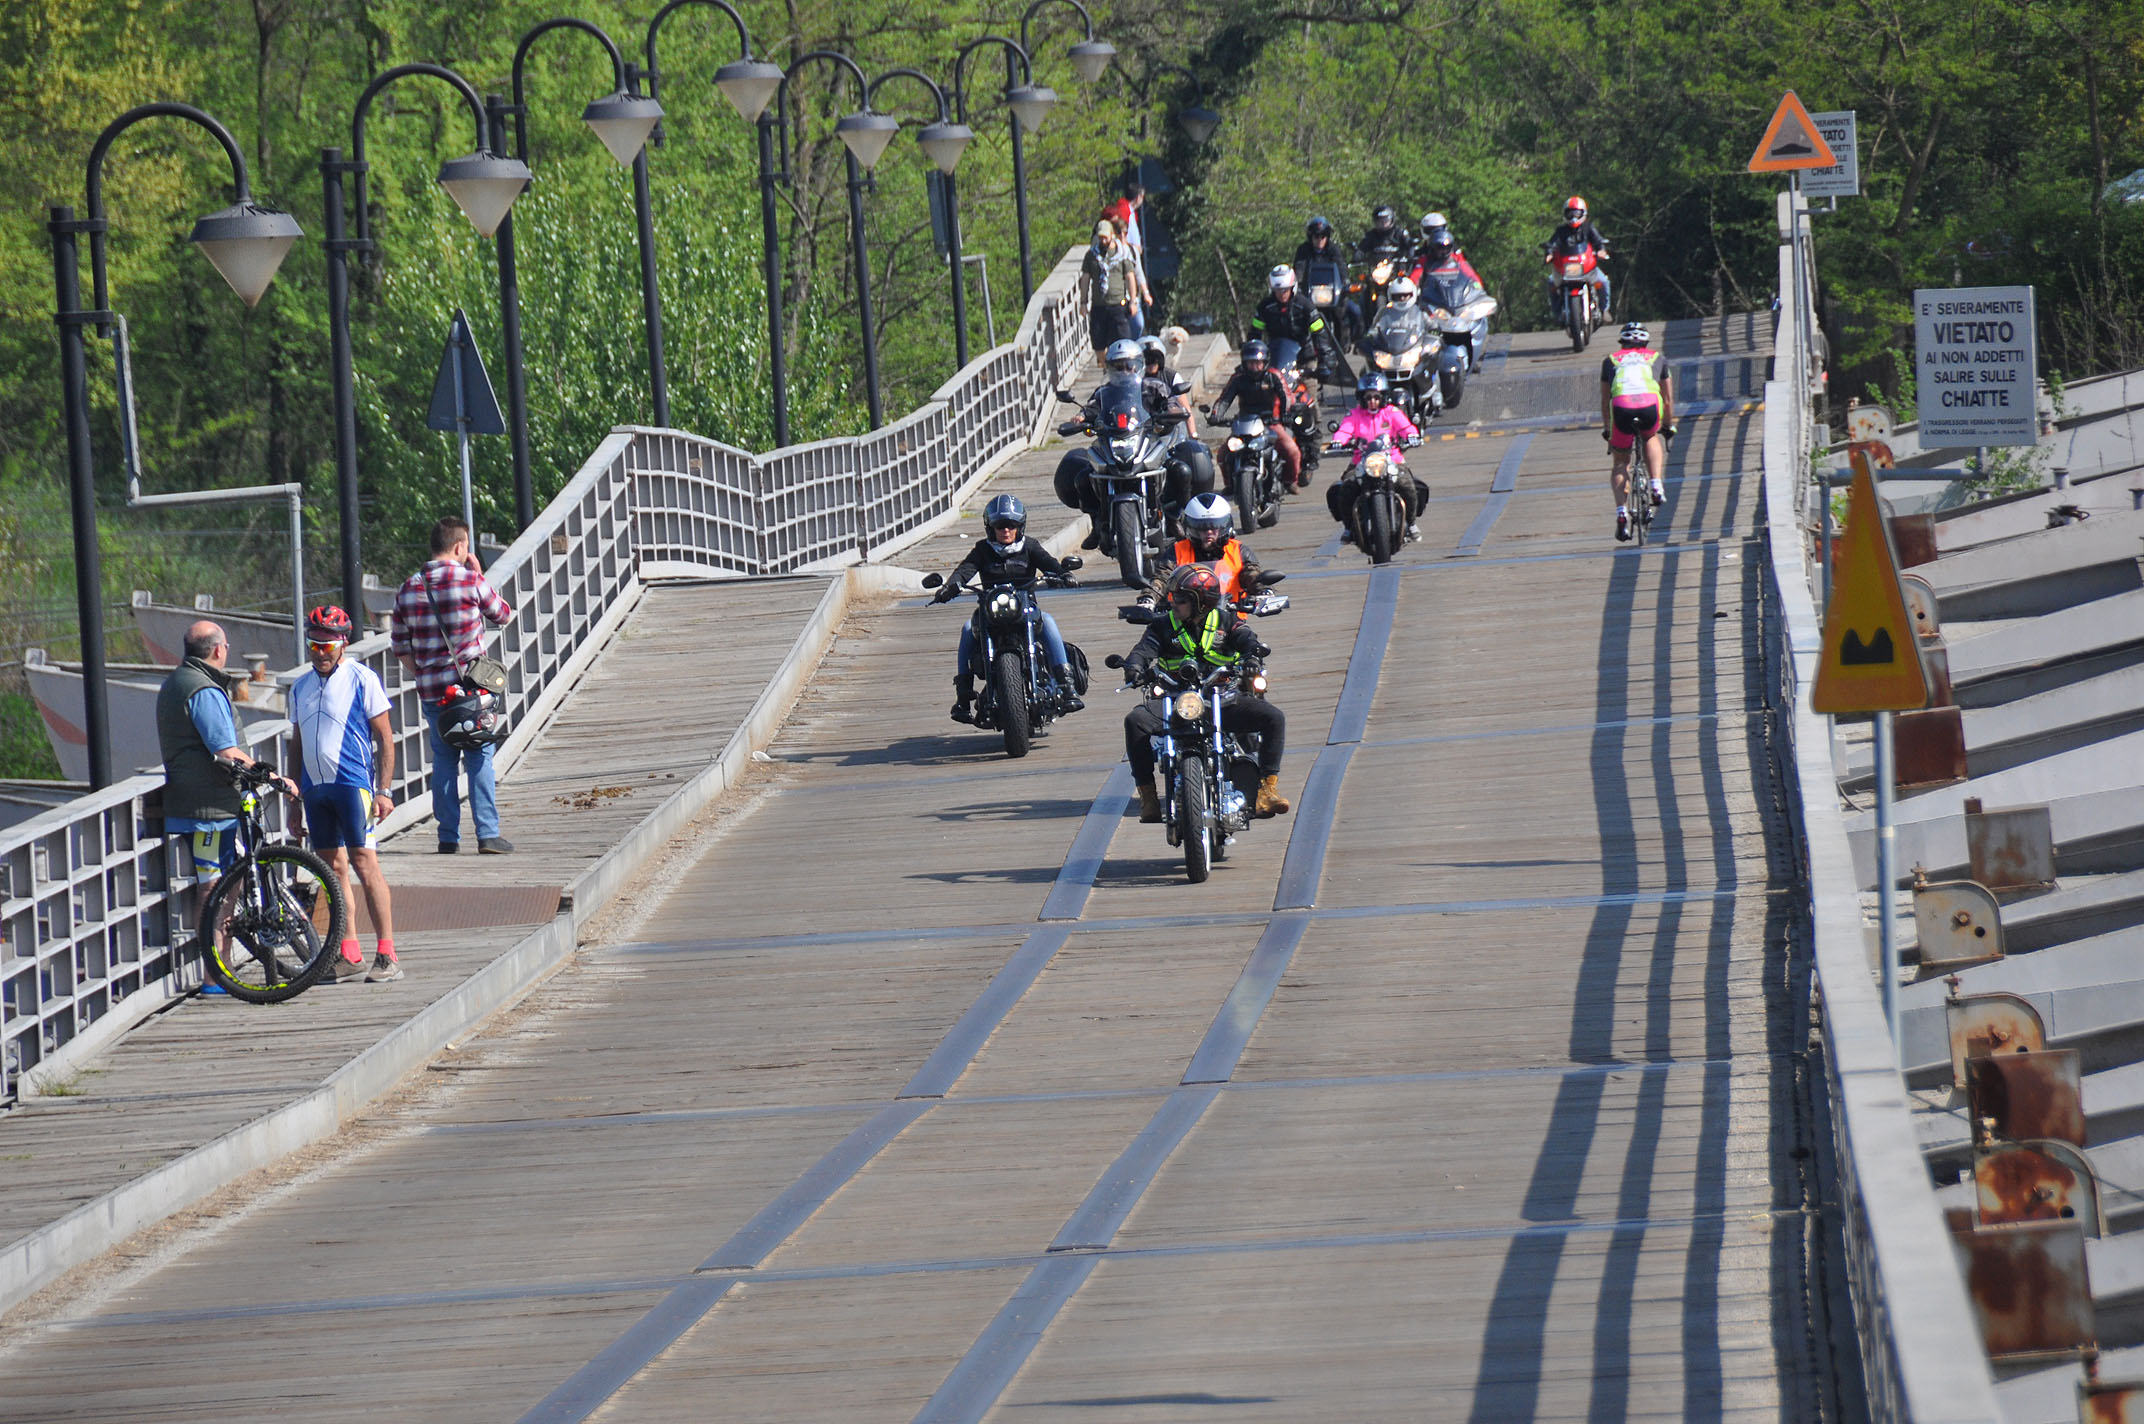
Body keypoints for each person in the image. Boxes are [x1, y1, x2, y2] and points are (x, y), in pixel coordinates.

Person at [155, 620, 297, 952]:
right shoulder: (203, 690)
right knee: (213, 889)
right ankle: (216, 971)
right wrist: (274, 779)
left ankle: (222, 965)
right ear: (219, 650)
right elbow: (226, 751)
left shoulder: (176, 682)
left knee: (222, 884)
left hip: (202, 803)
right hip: (208, 811)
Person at [1120, 564, 1289, 822]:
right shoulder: (1161, 626)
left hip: (1222, 699)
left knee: (1274, 717)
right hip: (1174, 702)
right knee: (1135, 721)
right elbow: (1143, 650)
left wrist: (1253, 657)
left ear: (1200, 603)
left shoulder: (1227, 621)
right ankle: (1149, 797)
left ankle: (1267, 791)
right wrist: (1134, 667)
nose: (1173, 604)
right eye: (1173, 598)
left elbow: (1247, 638)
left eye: (1180, 600)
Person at [287, 606, 401, 983]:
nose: (320, 653)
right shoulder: (300, 687)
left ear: (343, 645)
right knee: (332, 871)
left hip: (353, 785)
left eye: (327, 646)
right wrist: (293, 800)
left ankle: (387, 953)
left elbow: (385, 737)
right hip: (315, 789)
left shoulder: (362, 678)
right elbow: (296, 744)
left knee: (364, 864)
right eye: (314, 645)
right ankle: (348, 952)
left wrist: (384, 790)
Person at [392, 515, 514, 854]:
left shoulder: (408, 588)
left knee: (444, 760)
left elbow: (400, 646)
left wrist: (423, 674)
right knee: (479, 756)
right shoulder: (470, 581)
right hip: (473, 690)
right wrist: (480, 574)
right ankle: (487, 834)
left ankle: (448, 837)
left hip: (434, 692)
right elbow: (503, 614)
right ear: (460, 547)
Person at [932, 494, 1083, 721]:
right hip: (990, 610)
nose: (1005, 530)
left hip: (1026, 608)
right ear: (990, 528)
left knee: (1049, 622)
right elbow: (965, 570)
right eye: (1000, 525)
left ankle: (1067, 685)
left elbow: (1048, 562)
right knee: (967, 629)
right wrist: (949, 587)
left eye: (1011, 525)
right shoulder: (982, 549)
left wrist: (1063, 574)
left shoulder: (1030, 546)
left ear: (1020, 526)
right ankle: (963, 697)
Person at [1326, 373, 1428, 541]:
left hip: (1392, 459)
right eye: (1368, 397)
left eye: (1376, 397)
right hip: (1360, 461)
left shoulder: (1392, 412)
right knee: (1346, 489)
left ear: (1383, 397)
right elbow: (1344, 430)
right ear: (1361, 398)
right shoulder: (1354, 414)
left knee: (1407, 486)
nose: (1372, 401)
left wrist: (1412, 436)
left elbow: (1406, 428)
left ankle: (1411, 523)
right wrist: (1338, 441)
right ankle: (1349, 527)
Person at [1602, 322, 1675, 542]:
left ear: (1622, 343)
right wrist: (1667, 425)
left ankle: (1621, 512)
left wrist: (1608, 430)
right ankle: (1656, 485)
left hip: (1621, 407)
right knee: (1650, 436)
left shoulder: (1610, 360)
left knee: (1620, 461)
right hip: (1649, 404)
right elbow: (1668, 399)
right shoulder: (1658, 358)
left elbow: (1605, 400)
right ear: (1646, 343)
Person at [1138, 492, 1264, 614]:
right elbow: (1161, 578)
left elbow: (1252, 574)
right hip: (1182, 619)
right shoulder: (1176, 552)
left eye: (1214, 526)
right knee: (1154, 629)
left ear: (1224, 526)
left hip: (1230, 619)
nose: (1209, 532)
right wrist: (1149, 597)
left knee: (1246, 631)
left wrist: (1263, 590)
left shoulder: (1239, 551)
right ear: (1191, 527)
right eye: (1203, 527)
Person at [1207, 339, 1304, 492]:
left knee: (1292, 451)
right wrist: (1216, 415)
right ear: (1244, 363)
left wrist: (1286, 413)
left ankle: (1290, 481)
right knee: (1222, 455)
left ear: (1265, 362)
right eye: (1250, 363)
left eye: (1258, 363)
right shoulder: (1238, 378)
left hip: (1270, 422)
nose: (1254, 366)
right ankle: (1230, 484)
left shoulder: (1273, 376)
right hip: (1244, 423)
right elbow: (1224, 399)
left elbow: (1286, 395)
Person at [1250, 266, 1351, 384]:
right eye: (1278, 290)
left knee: (1309, 389)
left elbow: (1319, 333)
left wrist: (1326, 357)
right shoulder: (1264, 307)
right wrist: (1251, 356)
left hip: (1304, 360)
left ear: (1292, 287)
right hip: (1275, 361)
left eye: (1285, 290)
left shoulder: (1305, 306)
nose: (1281, 294)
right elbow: (1255, 334)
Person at [1545, 195, 1612, 322]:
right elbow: (1552, 243)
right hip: (1565, 268)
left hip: (1586, 267)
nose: (1573, 217)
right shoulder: (1561, 231)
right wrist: (1549, 253)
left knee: (1603, 281)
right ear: (1565, 214)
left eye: (1577, 214)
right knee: (1551, 282)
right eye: (1570, 214)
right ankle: (1557, 313)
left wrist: (1601, 250)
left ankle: (1605, 310)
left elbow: (1598, 241)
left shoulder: (1588, 227)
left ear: (1583, 213)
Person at [1083, 219, 1144, 355]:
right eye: (1100, 238)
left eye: (1105, 237)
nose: (1103, 241)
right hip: (1099, 305)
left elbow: (1130, 277)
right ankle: (1104, 365)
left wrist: (1133, 301)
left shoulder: (1122, 254)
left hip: (1118, 305)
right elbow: (1085, 279)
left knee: (1122, 341)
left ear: (1112, 235)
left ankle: (1120, 364)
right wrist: (1083, 302)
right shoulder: (1091, 256)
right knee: (1098, 343)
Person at [1409, 212, 1482, 286]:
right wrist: (1412, 285)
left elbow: (1466, 269)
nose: (1443, 251)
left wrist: (1477, 284)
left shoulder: (1455, 252)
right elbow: (1416, 274)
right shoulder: (1422, 255)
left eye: (1447, 248)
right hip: (1430, 291)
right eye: (1438, 248)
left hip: (1455, 291)